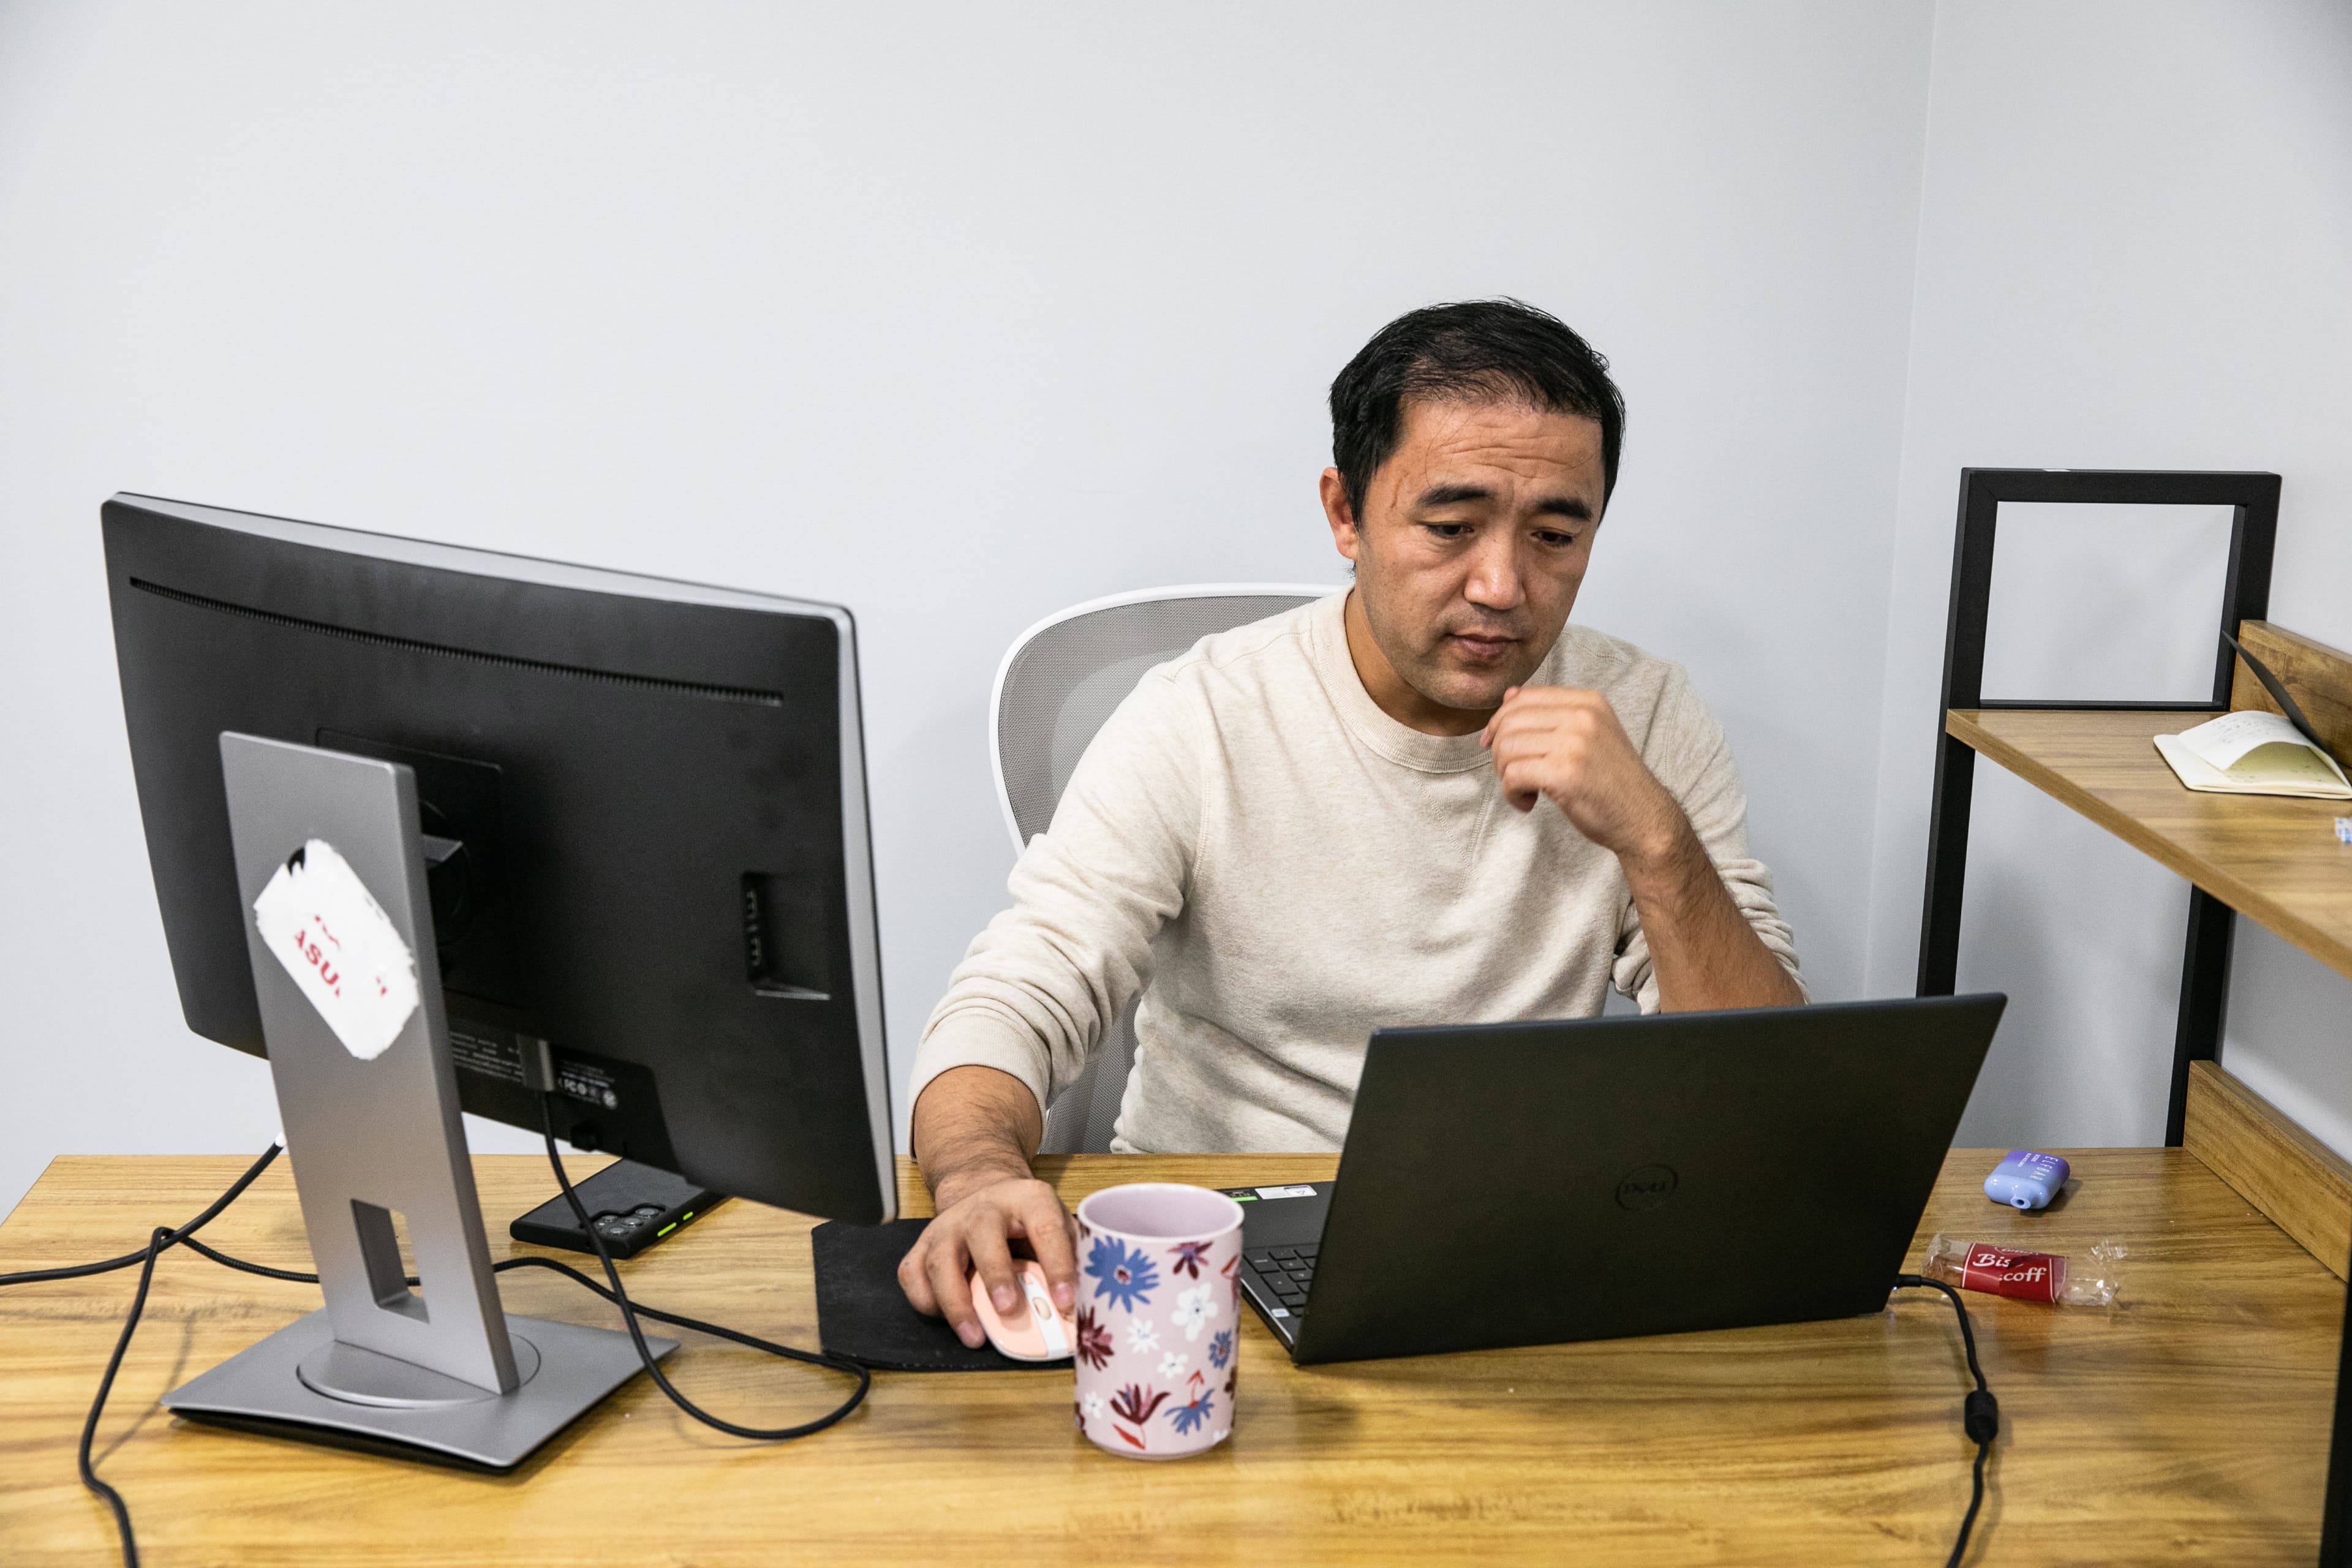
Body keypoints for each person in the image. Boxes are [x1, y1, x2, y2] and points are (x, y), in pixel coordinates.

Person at [900, 298, 1805, 1347]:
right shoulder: (1203, 712)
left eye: (1557, 535)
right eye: (1451, 528)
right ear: (1346, 512)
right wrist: (974, 1177)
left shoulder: (1644, 714)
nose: (1504, 585)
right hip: (1212, 1253)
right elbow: (1025, 982)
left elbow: (1760, 1105)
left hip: (1513, 1250)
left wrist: (1657, 843)